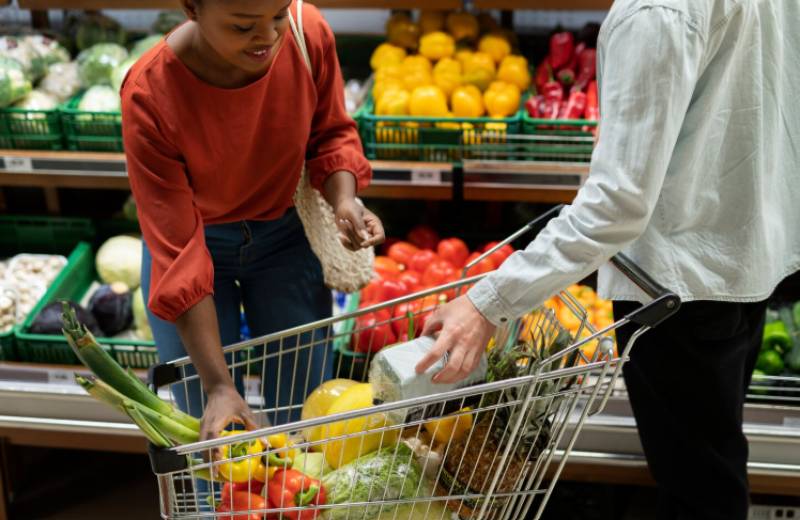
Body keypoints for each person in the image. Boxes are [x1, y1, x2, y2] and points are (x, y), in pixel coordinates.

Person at [417, 1, 800, 518]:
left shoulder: (654, 12)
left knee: (700, 491)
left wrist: (488, 303)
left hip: (676, 287)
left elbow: (616, 205)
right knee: (712, 466)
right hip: (741, 259)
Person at [121, 0, 384, 443]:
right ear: (192, 9)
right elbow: (179, 253)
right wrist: (218, 386)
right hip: (192, 246)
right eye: (243, 26)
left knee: (305, 424)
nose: (268, 36)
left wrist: (343, 198)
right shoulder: (149, 93)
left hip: (287, 237)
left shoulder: (305, 32)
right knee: (210, 435)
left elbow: (331, 132)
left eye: (277, 14)